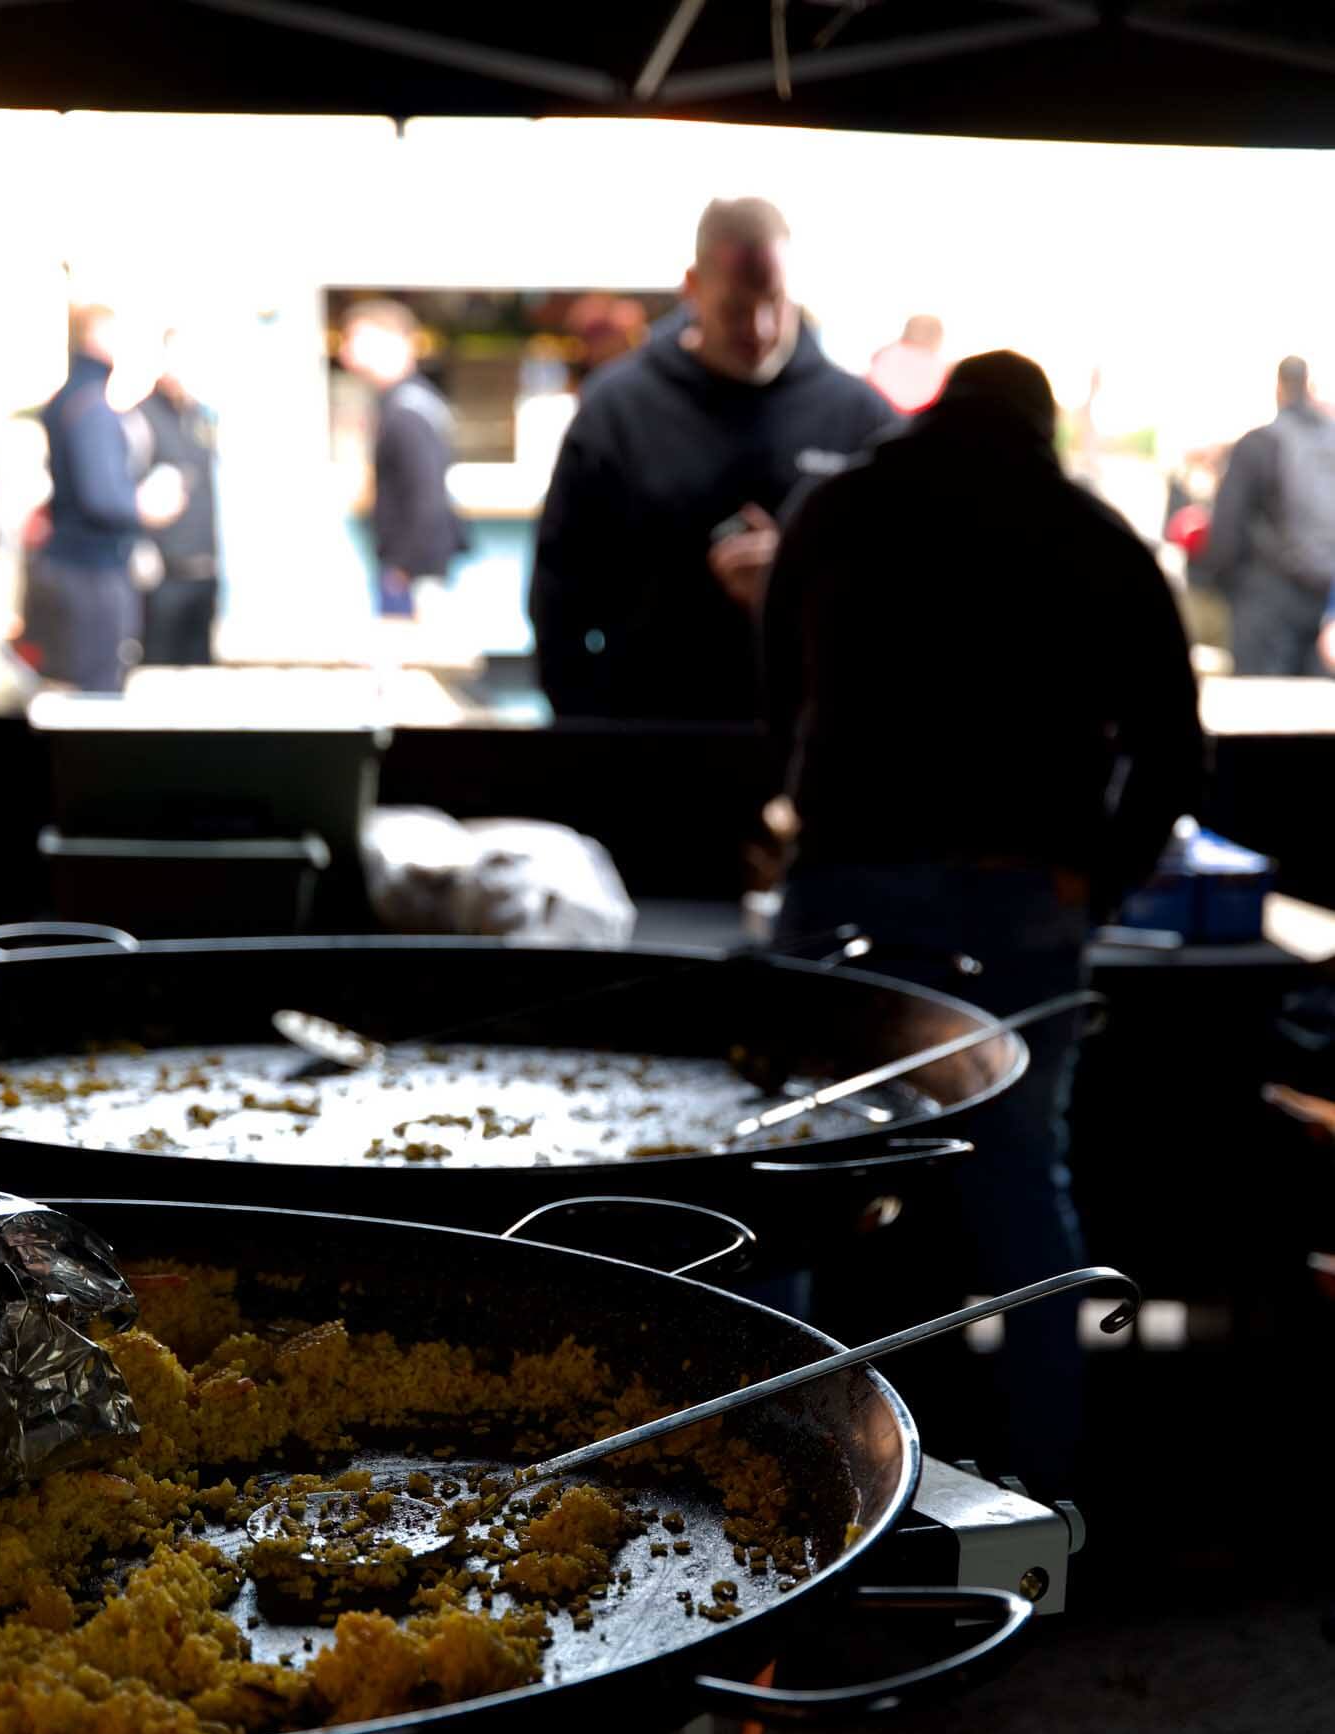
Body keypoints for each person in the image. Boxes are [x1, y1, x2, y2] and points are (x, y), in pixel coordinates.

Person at [760, 350, 1203, 1499]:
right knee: (1020, 1187)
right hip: (1020, 901)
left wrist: (807, 812)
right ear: (1039, 428)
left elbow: (774, 691)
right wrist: (1095, 885)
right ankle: (1048, 1487)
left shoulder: (836, 507)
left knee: (796, 1184)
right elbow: (1176, 747)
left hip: (845, 886)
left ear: (935, 412)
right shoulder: (1094, 535)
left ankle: (772, 1485)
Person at [530, 197, 897, 721]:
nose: (761, 328)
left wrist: (793, 580)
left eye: (775, 302)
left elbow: (908, 598)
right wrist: (591, 735)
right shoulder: (617, 412)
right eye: (737, 308)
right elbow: (557, 599)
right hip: (647, 745)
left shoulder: (860, 419)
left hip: (811, 750)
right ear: (693, 289)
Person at [37, 304, 185, 692]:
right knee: (98, 685)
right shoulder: (91, 408)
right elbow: (102, 497)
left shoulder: (73, 399)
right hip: (93, 568)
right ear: (96, 337)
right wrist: (146, 507)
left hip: (78, 565)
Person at [1203, 355, 1335, 675]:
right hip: (1324, 604)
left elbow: (1225, 534)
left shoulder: (1258, 445)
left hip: (1264, 601)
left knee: (1261, 711)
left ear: (1278, 387)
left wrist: (1223, 585)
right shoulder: (1329, 443)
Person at [339, 298, 466, 620]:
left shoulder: (408, 410)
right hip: (411, 567)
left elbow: (427, 496)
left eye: (355, 339)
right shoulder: (405, 400)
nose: (346, 353)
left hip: (413, 573)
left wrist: (404, 567)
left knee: (415, 660)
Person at [133, 329, 220, 666]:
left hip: (204, 572)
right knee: (159, 665)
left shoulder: (201, 417)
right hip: (163, 576)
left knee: (199, 668)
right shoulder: (142, 418)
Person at [867, 313, 947, 416]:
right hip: (911, 421)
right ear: (937, 336)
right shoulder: (937, 366)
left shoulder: (886, 354)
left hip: (880, 417)